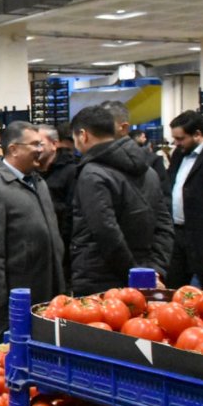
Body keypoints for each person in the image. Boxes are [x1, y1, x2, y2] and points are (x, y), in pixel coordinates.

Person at [0, 122, 64, 344]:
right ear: (13, 149)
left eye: (41, 144)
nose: (41, 149)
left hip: (46, 297)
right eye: (35, 144)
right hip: (13, 305)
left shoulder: (38, 182)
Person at [70, 105, 174, 295]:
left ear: (83, 135)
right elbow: (165, 225)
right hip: (147, 274)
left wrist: (135, 275)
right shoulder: (149, 171)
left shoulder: (92, 173)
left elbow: (106, 232)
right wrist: (154, 271)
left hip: (101, 282)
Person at [164, 110, 203, 288]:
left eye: (180, 138)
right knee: (174, 289)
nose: (176, 143)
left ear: (197, 134)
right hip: (177, 236)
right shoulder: (178, 154)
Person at [41, 122, 76, 283]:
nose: (36, 149)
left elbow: (72, 213)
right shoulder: (31, 172)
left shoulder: (71, 170)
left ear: (54, 144)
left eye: (40, 143)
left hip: (64, 250)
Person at [100, 100, 167, 184]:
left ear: (124, 128)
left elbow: (163, 195)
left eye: (104, 125)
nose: (97, 131)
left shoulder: (152, 162)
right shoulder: (95, 160)